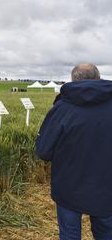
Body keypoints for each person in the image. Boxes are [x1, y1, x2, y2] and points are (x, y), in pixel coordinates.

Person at [36, 63, 112, 240]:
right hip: (107, 187)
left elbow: (44, 151)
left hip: (68, 186)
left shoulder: (61, 108)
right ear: (98, 77)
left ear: (73, 80)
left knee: (69, 234)